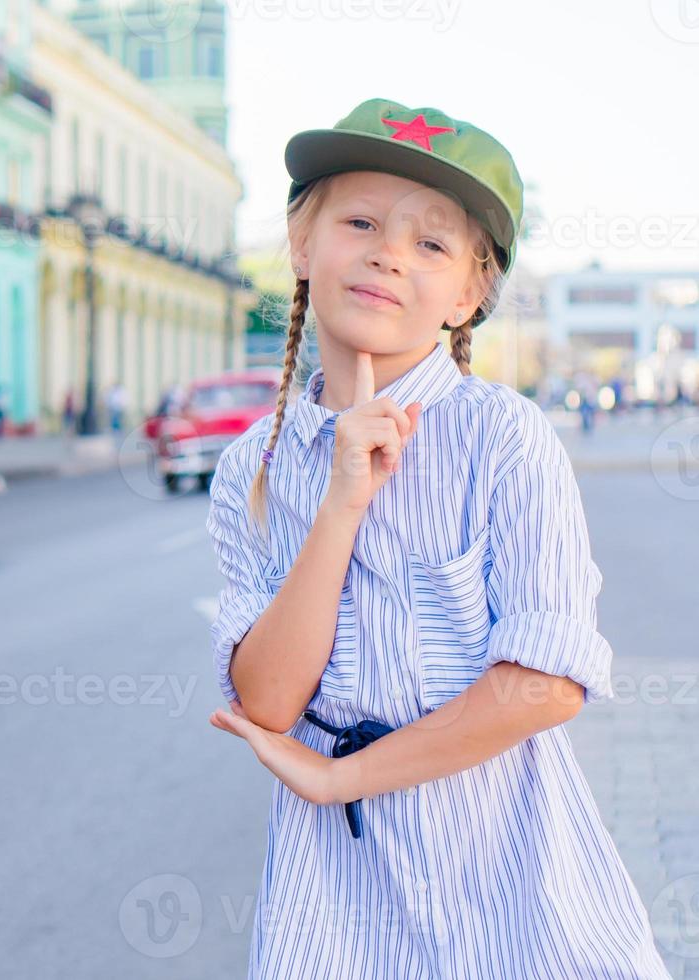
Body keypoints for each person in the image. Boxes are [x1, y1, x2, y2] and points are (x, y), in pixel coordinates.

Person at [203, 99, 669, 976]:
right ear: (302, 247)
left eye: (431, 243)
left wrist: (340, 776)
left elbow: (544, 687)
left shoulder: (505, 439)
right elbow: (266, 701)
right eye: (360, 221)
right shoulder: (252, 471)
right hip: (336, 896)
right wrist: (341, 503)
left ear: (469, 295)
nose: (387, 252)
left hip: (512, 875)